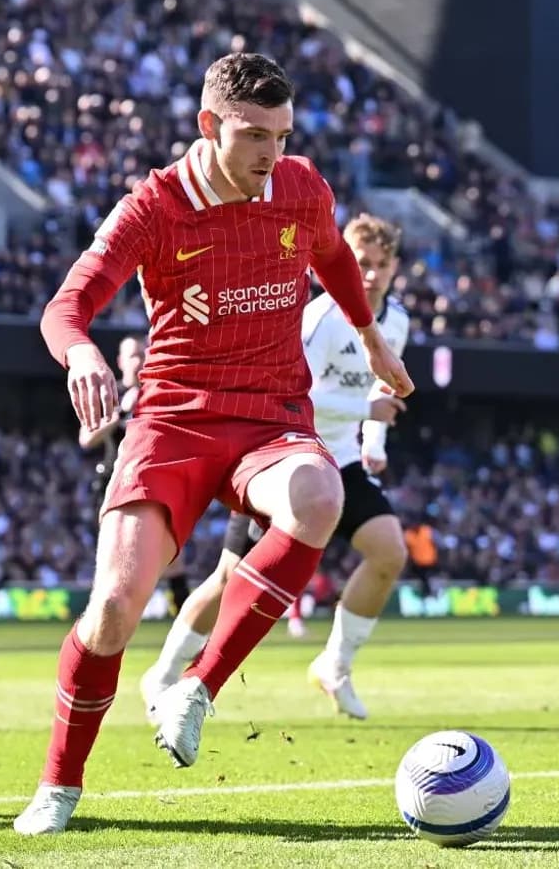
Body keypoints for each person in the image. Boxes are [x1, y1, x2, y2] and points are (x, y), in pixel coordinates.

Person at [14, 53, 411, 835]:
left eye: (283, 133)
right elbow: (65, 308)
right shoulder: (153, 207)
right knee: (114, 611)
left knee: (320, 496)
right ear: (208, 126)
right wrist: (84, 352)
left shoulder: (301, 187)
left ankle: (198, 686)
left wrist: (370, 338)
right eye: (255, 135)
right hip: (173, 422)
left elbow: (331, 256)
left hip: (271, 416)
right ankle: (59, 785)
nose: (272, 152)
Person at [140, 213, 412, 722]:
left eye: (380, 265)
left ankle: (335, 664)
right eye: (360, 264)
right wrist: (365, 415)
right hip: (286, 455)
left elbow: (381, 387)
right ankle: (164, 672)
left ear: (395, 267)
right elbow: (297, 391)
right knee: (229, 578)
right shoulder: (319, 318)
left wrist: (374, 439)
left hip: (342, 461)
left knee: (389, 551)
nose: (370, 275)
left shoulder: (396, 322)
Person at [78, 337, 193, 614]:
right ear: (119, 361)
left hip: (153, 481)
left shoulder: (160, 394)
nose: (138, 360)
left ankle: (187, 631)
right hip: (113, 484)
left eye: (142, 354)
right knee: (111, 561)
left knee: (174, 558)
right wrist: (120, 413)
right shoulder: (111, 394)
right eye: (132, 355)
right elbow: (86, 438)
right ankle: (98, 621)